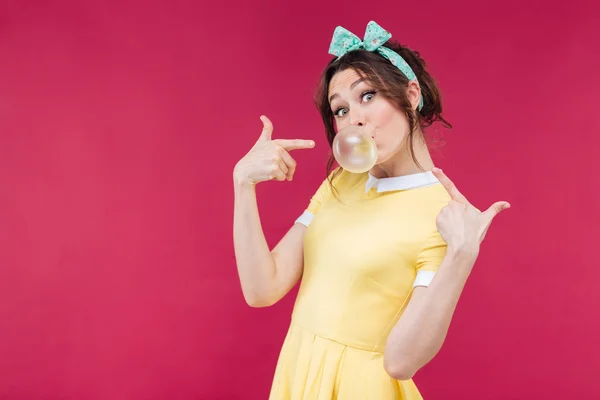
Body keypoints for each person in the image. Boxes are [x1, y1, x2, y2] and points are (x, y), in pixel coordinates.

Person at [233, 21, 510, 400]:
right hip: (299, 371)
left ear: (411, 94)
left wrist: (461, 255)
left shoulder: (446, 216)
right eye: (341, 109)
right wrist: (242, 185)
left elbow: (400, 362)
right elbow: (262, 288)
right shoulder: (339, 184)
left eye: (367, 96)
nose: (354, 120)